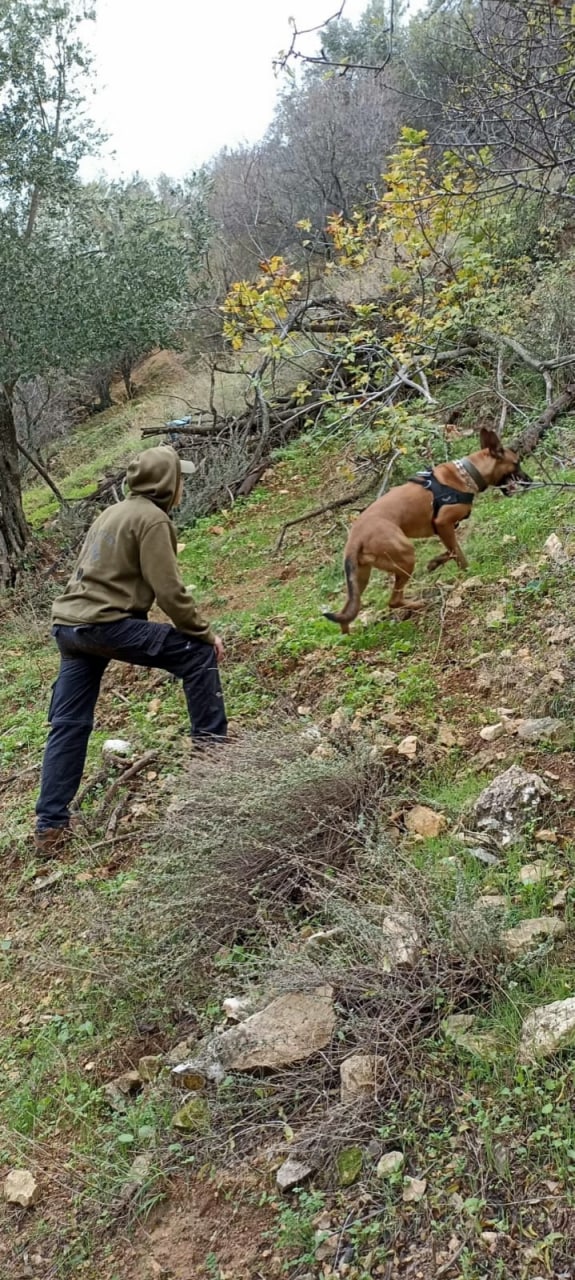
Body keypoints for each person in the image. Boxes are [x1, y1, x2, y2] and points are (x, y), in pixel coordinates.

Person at [34, 445, 227, 854]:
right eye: (180, 480)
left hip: (69, 629)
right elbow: (170, 592)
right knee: (196, 655)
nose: (182, 488)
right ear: (168, 483)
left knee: (69, 724)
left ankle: (50, 826)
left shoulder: (111, 512)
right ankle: (216, 768)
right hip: (106, 626)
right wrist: (205, 634)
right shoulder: (153, 520)